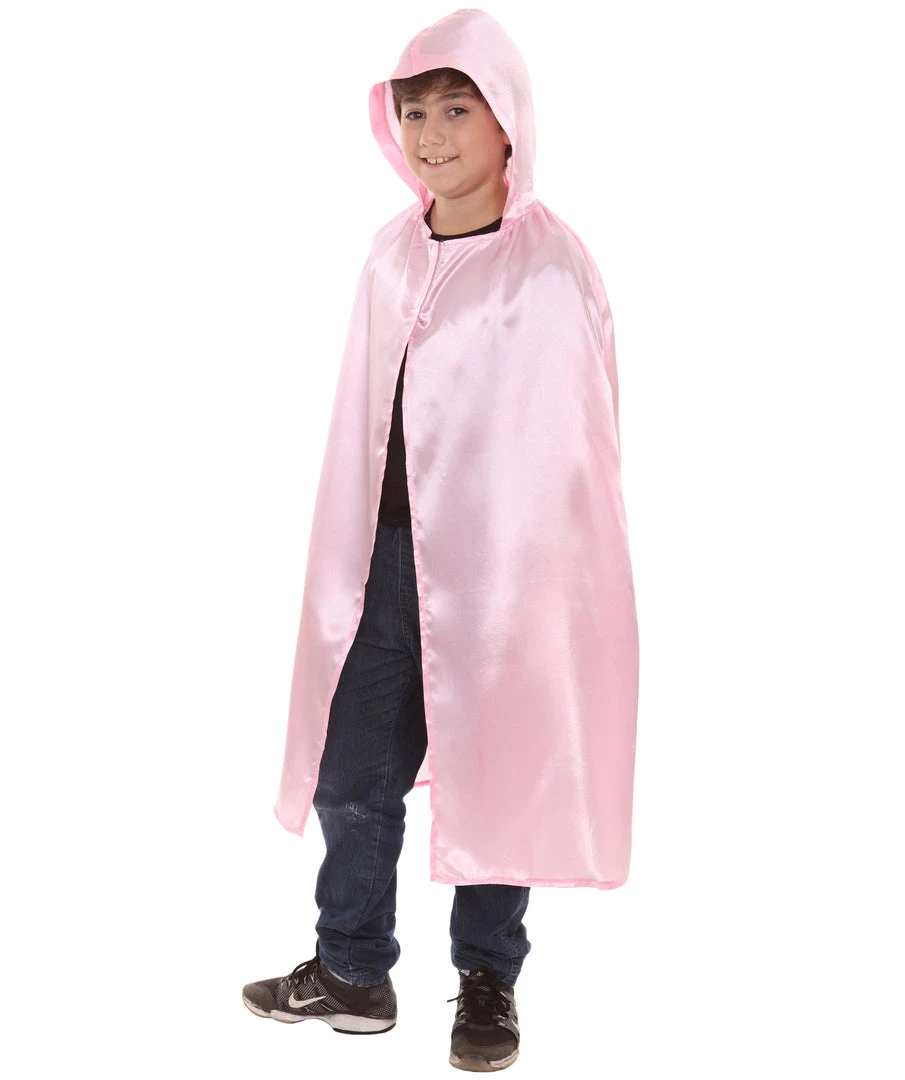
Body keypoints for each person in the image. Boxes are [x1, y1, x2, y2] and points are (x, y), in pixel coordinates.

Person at [242, 9, 639, 1074]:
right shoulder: (388, 255)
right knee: (349, 770)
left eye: (456, 110)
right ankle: (352, 968)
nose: (432, 134)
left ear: (506, 121)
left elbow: (579, 444)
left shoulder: (550, 267)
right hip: (381, 560)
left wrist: (548, 576)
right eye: (414, 112)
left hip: (505, 574)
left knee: (495, 767)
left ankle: (487, 980)